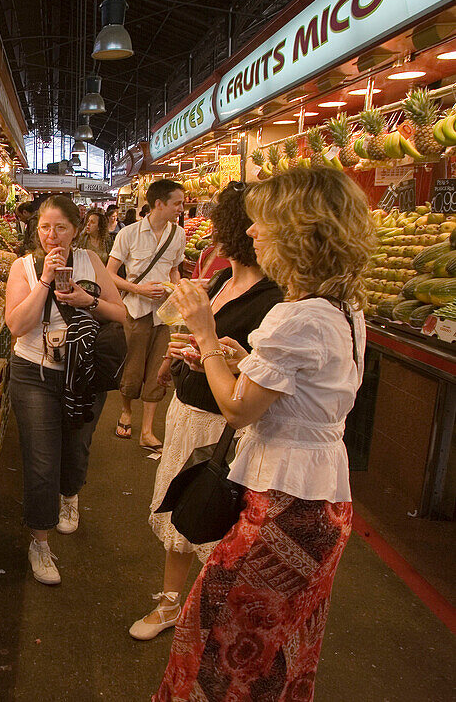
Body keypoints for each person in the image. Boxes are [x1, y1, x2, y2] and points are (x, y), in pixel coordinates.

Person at [153, 167, 372, 701]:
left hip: (283, 503)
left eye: (263, 222)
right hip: (323, 499)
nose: (251, 233)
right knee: (279, 648)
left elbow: (236, 409)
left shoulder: (294, 317)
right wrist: (245, 359)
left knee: (217, 641)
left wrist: (206, 335)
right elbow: (305, 395)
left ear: (300, 231)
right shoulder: (343, 310)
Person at [129, 182, 282, 641]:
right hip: (187, 414)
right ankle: (171, 604)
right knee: (183, 516)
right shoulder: (218, 281)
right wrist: (174, 363)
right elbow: (205, 344)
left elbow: (250, 378)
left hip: (224, 428)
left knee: (218, 524)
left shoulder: (272, 300)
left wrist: (209, 346)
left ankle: (211, 615)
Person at [4, 194, 126, 585]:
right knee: (40, 460)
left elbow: (120, 313)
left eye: (60, 227)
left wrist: (86, 300)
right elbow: (17, 326)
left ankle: (70, 496)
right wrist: (43, 281)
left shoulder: (92, 263)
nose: (51, 235)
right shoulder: (22, 267)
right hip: (34, 373)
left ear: (76, 230)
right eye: (44, 227)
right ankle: (39, 541)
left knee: (77, 446)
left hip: (84, 373)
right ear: (35, 230)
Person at [107, 180, 186, 449]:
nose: (181, 208)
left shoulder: (179, 234)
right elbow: (109, 274)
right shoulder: (128, 234)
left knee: (159, 369)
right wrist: (137, 289)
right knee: (132, 366)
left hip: (164, 314)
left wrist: (175, 288)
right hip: (135, 310)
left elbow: (175, 269)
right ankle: (126, 412)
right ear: (158, 204)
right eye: (177, 203)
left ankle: (148, 430)